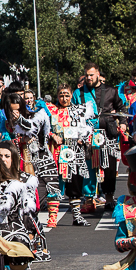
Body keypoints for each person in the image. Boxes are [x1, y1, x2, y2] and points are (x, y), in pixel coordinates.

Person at [72, 63, 124, 208]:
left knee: (110, 167)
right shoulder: (78, 93)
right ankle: (89, 199)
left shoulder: (111, 91)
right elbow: (74, 114)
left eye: (91, 75)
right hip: (87, 134)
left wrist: (123, 122)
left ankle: (108, 197)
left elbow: (121, 107)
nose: (89, 78)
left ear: (98, 75)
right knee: (88, 166)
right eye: (87, 75)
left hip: (107, 132)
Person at [47, 85, 95, 224]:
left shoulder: (78, 110)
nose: (64, 98)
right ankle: (52, 217)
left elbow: (88, 127)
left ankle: (76, 216)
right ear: (57, 96)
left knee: (75, 183)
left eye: (67, 95)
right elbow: (44, 128)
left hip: (74, 152)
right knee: (55, 183)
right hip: (56, 151)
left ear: (71, 95)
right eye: (61, 95)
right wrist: (52, 136)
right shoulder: (51, 110)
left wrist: (82, 138)